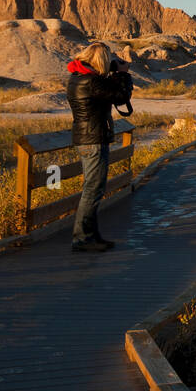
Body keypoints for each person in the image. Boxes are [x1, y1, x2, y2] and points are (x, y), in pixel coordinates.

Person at [66, 41, 133, 253]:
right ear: (100, 60)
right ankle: (82, 238)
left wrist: (113, 75)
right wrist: (123, 74)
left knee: (91, 188)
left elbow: (106, 94)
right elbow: (121, 97)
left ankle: (89, 236)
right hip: (94, 140)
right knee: (93, 190)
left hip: (87, 138)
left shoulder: (81, 78)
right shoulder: (91, 82)